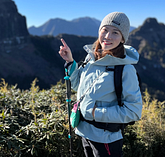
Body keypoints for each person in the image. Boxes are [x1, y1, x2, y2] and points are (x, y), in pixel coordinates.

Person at [59, 12, 142, 157]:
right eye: (105, 30)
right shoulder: (91, 58)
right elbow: (80, 88)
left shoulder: (125, 69)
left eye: (115, 32)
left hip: (106, 139)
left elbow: (133, 111)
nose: (108, 36)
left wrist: (93, 112)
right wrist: (71, 62)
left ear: (123, 38)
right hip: (85, 132)